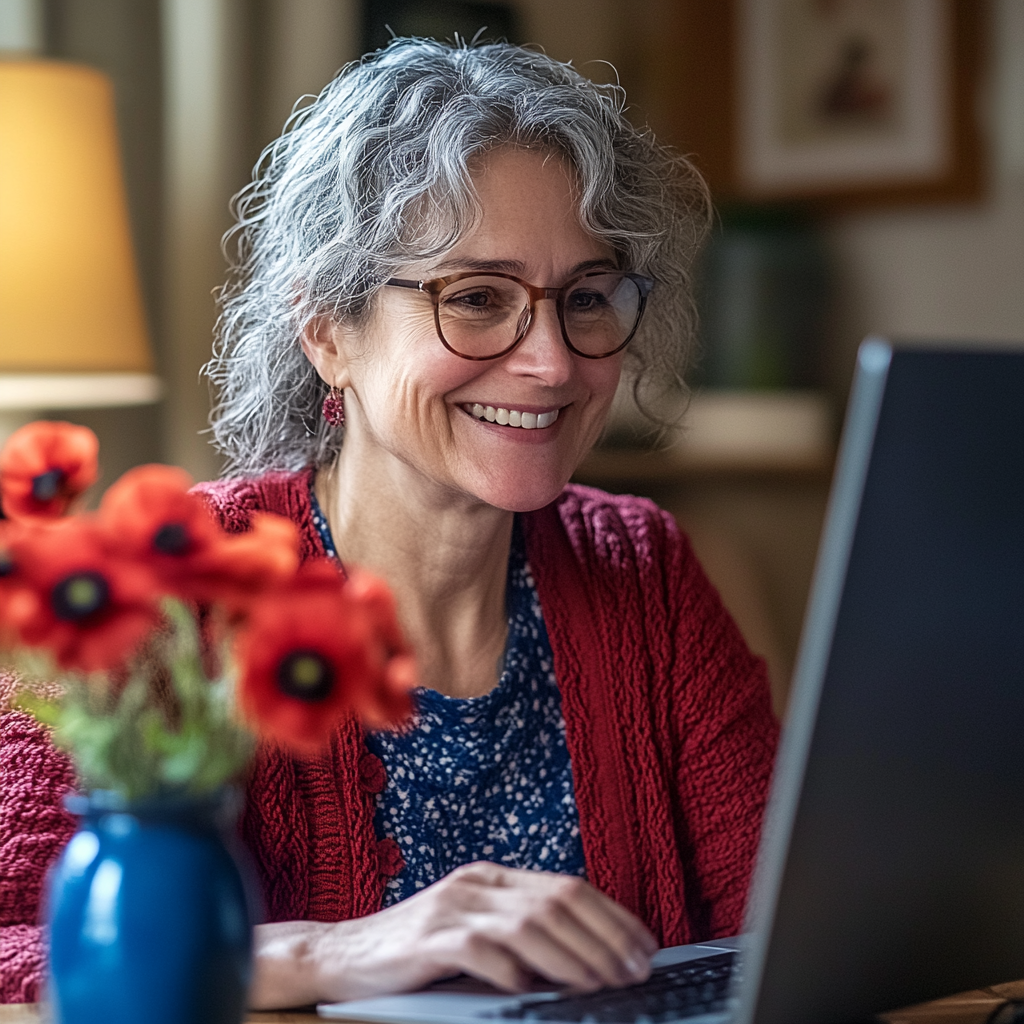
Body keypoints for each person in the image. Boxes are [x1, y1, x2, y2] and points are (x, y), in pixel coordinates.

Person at [0, 38, 777, 1009]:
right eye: (478, 299)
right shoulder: (167, 588)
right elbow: (14, 944)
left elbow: (787, 923)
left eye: (585, 298)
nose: (550, 361)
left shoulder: (642, 566)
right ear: (328, 329)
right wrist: (333, 952)